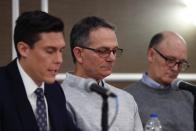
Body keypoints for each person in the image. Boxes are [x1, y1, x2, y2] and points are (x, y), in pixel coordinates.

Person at [0, 10, 81, 131]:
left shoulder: (54, 89)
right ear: (23, 49)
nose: (59, 60)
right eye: (50, 51)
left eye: (61, 50)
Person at [61, 16, 143, 131]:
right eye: (103, 51)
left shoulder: (126, 99)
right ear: (79, 54)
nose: (112, 58)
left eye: (114, 51)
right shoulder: (59, 99)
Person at [125, 31, 194, 131]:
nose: (175, 69)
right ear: (151, 55)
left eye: (181, 63)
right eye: (170, 60)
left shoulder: (190, 96)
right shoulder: (127, 99)